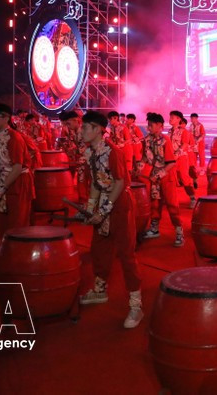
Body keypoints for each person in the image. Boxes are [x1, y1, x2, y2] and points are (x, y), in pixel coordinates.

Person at [76, 111, 143, 329]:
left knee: (126, 253)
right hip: (103, 205)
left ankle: (136, 304)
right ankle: (99, 289)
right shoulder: (92, 152)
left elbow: (120, 183)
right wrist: (89, 208)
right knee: (99, 248)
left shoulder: (113, 152)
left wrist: (102, 210)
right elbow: (96, 183)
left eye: (86, 127)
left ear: (98, 130)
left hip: (119, 205)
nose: (82, 131)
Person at [0, 103, 34, 235]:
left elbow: (17, 167)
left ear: (6, 118)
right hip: (6, 180)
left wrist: (0, 189)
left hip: (18, 181)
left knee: (16, 223)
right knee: (3, 222)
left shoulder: (14, 137)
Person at [136, 112, 183, 246]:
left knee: (172, 204)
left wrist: (160, 174)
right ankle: (154, 229)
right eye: (148, 124)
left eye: (151, 125)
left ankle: (179, 232)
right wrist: (140, 164)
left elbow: (171, 162)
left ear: (160, 126)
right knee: (155, 203)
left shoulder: (166, 140)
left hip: (166, 176)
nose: (148, 127)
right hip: (154, 176)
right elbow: (145, 156)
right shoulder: (147, 140)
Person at [169, 110, 197, 208]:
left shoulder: (184, 131)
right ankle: (171, 199)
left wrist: (177, 153)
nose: (170, 119)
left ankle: (192, 197)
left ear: (178, 119)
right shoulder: (170, 131)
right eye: (170, 117)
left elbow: (185, 144)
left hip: (181, 158)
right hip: (171, 159)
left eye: (172, 117)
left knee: (184, 178)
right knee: (171, 179)